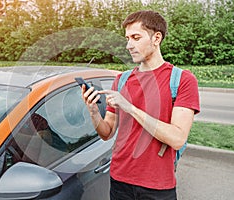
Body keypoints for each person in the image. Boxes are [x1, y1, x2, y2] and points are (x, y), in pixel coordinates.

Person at [81, 10, 200, 199]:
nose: (129, 45)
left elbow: (177, 138)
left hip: (158, 186)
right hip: (119, 180)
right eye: (127, 38)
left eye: (136, 37)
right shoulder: (122, 80)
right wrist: (94, 112)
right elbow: (107, 133)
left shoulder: (182, 79)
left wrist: (130, 108)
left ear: (156, 38)